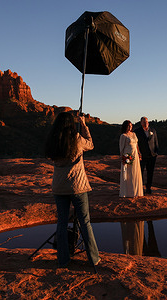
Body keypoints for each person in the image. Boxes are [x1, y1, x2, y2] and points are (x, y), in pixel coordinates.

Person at [45, 112, 100, 268]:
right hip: (77, 186)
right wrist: (83, 124)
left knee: (61, 223)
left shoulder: (53, 140)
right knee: (85, 222)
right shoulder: (76, 138)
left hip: (59, 187)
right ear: (71, 123)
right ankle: (93, 259)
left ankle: (63, 260)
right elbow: (90, 144)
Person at [134, 117, 159, 194]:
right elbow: (135, 144)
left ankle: (148, 188)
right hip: (142, 156)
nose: (146, 123)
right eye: (144, 122)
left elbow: (156, 141)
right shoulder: (137, 131)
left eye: (147, 122)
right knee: (140, 172)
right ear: (141, 123)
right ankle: (140, 188)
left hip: (152, 155)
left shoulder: (153, 130)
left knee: (150, 172)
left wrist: (156, 152)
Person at [119, 120, 143, 198]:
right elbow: (121, 149)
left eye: (131, 126)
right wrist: (123, 158)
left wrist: (139, 154)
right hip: (127, 156)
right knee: (128, 174)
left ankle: (136, 192)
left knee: (135, 173)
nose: (130, 127)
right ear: (125, 126)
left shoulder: (134, 134)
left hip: (135, 155)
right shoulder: (123, 136)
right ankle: (128, 193)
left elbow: (136, 145)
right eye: (128, 126)